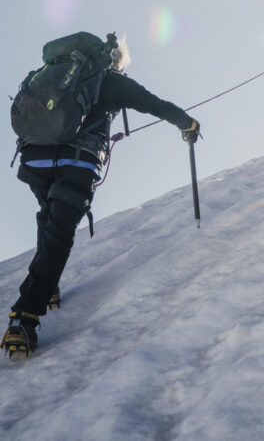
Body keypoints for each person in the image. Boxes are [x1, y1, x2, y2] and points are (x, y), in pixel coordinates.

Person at [1, 35, 199, 358]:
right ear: (116, 61)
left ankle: (48, 288)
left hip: (34, 159)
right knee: (59, 232)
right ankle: (24, 317)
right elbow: (154, 104)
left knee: (49, 218)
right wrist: (187, 123)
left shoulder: (61, 74)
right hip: (76, 163)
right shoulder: (111, 81)